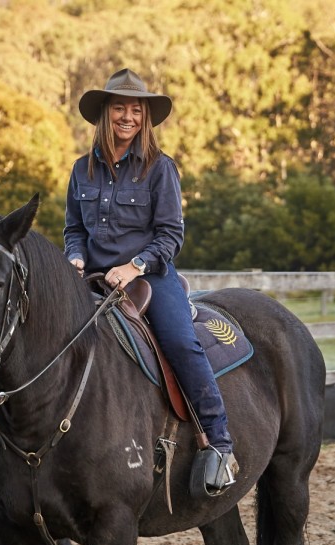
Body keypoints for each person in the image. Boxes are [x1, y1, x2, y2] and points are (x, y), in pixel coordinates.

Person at [63, 67, 238, 494]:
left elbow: (170, 236)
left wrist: (134, 266)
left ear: (145, 118)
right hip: (93, 281)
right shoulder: (81, 170)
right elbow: (73, 229)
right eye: (120, 108)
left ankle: (219, 444)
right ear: (106, 114)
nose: (128, 117)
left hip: (149, 278)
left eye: (136, 110)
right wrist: (74, 259)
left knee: (181, 342)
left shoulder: (160, 169)